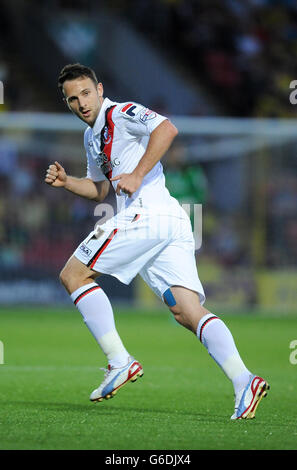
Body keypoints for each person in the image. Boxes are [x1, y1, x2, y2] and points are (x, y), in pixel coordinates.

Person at [44, 63, 269, 420]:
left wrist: (136, 173)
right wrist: (68, 182)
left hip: (148, 215)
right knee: (186, 311)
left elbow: (166, 128)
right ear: (68, 104)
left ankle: (120, 361)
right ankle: (245, 381)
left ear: (100, 90)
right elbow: (102, 188)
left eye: (86, 93)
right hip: (167, 220)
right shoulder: (92, 137)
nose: (82, 102)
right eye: (73, 99)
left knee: (73, 276)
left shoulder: (121, 112)